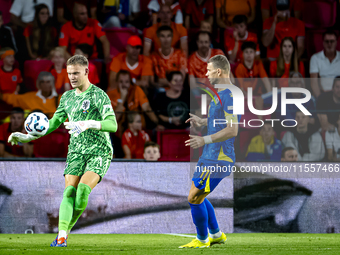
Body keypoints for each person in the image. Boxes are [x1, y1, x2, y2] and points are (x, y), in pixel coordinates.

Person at [8, 55, 118, 247]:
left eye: (76, 73)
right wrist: (27, 136)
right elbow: (51, 124)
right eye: (69, 74)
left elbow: (112, 125)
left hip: (99, 151)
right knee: (69, 192)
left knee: (83, 192)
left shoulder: (99, 95)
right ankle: (61, 236)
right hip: (76, 152)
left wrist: (88, 124)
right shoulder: (66, 98)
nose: (72, 77)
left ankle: (64, 231)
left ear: (86, 71)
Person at [182, 55, 240, 248]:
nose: (206, 74)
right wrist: (204, 121)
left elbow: (233, 129)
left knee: (193, 197)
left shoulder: (231, 94)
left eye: (208, 70)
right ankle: (215, 235)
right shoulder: (221, 94)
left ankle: (202, 239)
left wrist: (204, 139)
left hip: (219, 158)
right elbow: (221, 121)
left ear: (219, 71)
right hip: (209, 156)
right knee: (198, 195)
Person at [107, 70, 158, 136]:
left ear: (130, 83)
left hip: (138, 129)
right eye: (121, 82)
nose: (124, 85)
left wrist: (157, 123)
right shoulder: (110, 95)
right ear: (117, 83)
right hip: (118, 132)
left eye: (127, 82)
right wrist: (122, 99)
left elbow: (147, 108)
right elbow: (113, 120)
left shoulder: (136, 90)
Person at [310, 30, 340, 98]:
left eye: (332, 41)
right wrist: (321, 98)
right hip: (323, 95)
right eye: (327, 41)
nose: (329, 44)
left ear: (336, 42)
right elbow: (314, 83)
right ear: (323, 43)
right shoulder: (315, 58)